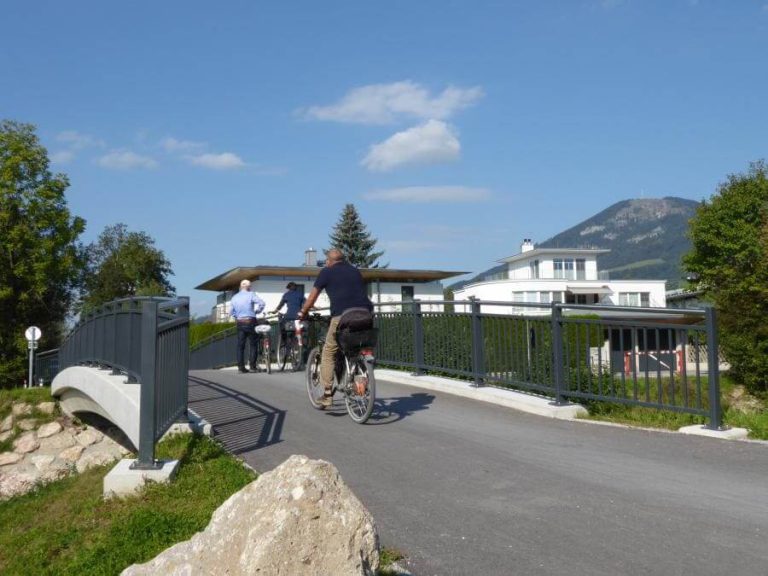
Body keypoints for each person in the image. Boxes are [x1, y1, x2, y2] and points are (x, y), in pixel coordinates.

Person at [297, 248, 373, 407]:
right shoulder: (355, 271)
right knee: (358, 349)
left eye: (326, 261)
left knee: (328, 351)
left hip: (343, 316)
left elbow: (312, 296)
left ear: (329, 261)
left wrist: (303, 312)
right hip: (365, 314)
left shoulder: (326, 272)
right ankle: (360, 386)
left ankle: (326, 395)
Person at [230, 279, 266, 373]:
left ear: (241, 286)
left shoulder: (234, 297)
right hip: (250, 321)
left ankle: (241, 368)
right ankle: (252, 367)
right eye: (250, 286)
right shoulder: (251, 294)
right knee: (253, 344)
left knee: (240, 346)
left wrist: (237, 316)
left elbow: (231, 312)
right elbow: (262, 303)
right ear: (248, 287)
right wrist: (257, 311)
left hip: (240, 322)